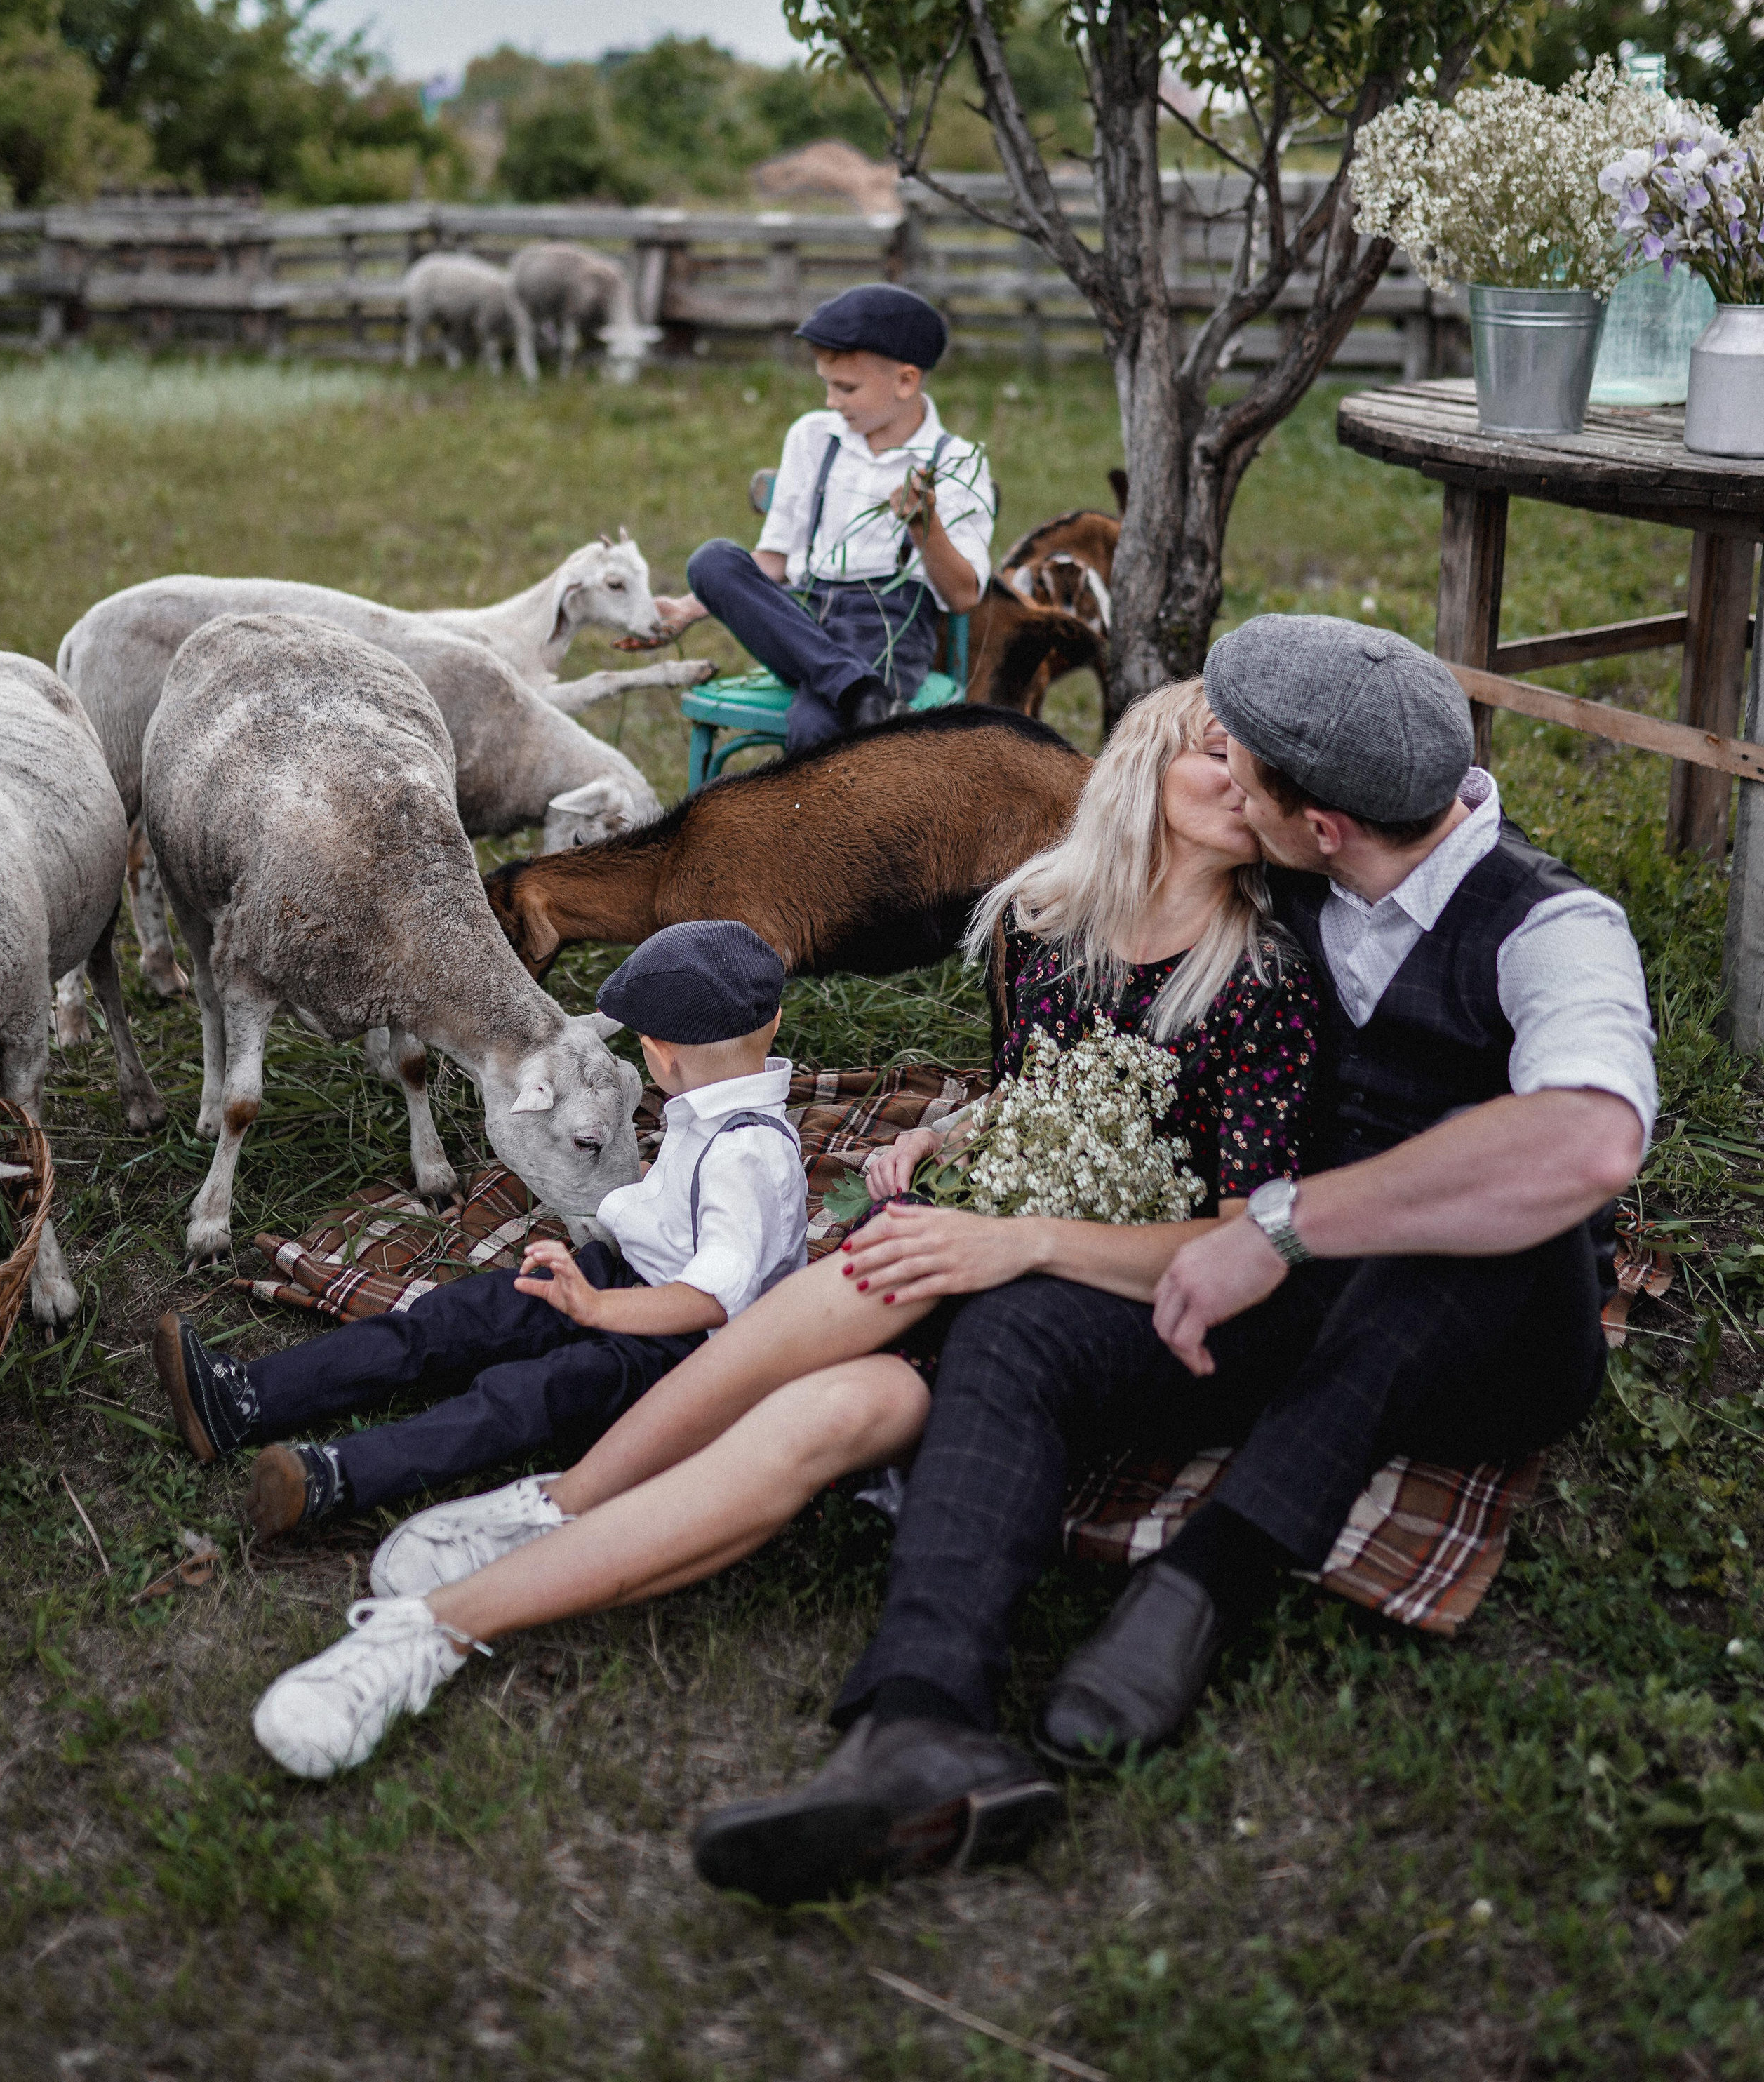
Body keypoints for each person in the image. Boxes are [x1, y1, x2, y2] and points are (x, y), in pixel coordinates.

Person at [678, 615, 1657, 1904]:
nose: (1223, 778)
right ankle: (920, 1724)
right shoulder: (1295, 867)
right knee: (1015, 1321)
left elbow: (1589, 1143)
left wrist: (1282, 1225)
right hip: (1256, 1301)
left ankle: (1212, 1575)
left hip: (1478, 1337)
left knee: (1472, 1218)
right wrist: (999, 1128)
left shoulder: (1553, 928)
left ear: (1322, 825)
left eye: (1239, 765)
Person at [244, 680, 1319, 1783]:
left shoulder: (1264, 981)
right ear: (1144, 757)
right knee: (842, 1294)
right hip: (976, 1247)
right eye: (1219, 754)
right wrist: (943, 1138)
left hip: (1105, 1295)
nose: (1246, 784)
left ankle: (468, 1601)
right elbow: (1042, 1092)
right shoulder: (1054, 926)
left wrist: (1022, 1243)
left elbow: (1244, 1236)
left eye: (1268, 773)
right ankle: (487, 1573)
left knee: (829, 1410)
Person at [153, 921, 807, 1552]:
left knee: (521, 1398)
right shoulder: (713, 1114)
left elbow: (715, 1295)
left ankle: (337, 1476)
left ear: (660, 1055)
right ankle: (245, 1398)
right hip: (626, 1276)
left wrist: (599, 1308)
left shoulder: (746, 1158)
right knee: (447, 1318)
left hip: (688, 1354)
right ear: (772, 1024)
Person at [651, 283, 993, 750]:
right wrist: (689, 608)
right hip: (802, 618)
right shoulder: (813, 436)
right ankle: (861, 693)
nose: (832, 401)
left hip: (886, 627)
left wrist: (922, 527)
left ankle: (851, 702)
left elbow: (962, 596)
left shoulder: (955, 460)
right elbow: (772, 562)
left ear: (906, 381)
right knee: (713, 561)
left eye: (846, 388)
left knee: (817, 726)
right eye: (827, 386)